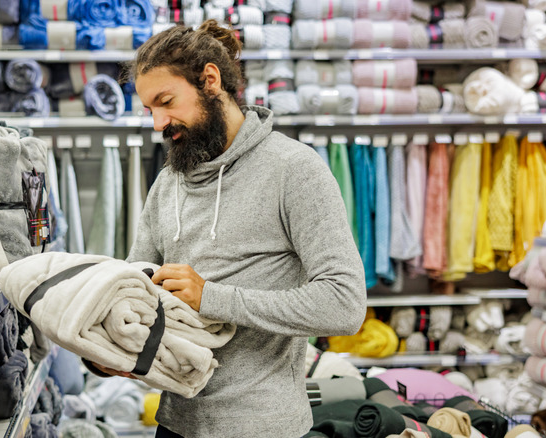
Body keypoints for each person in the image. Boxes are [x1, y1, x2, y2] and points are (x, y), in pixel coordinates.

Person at [87, 19, 366, 437]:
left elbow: (344, 304)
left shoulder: (294, 169)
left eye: (166, 102)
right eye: (150, 110)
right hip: (175, 424)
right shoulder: (169, 181)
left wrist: (212, 297)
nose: (157, 123)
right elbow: (137, 284)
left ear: (210, 81)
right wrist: (108, 348)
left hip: (262, 426)